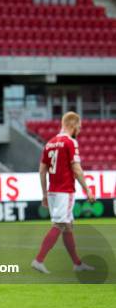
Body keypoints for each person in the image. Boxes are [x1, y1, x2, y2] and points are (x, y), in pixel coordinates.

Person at [31, 112, 95, 274]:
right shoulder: (70, 142)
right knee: (60, 224)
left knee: (67, 226)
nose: (79, 131)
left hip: (53, 191)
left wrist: (45, 194)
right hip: (64, 191)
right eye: (78, 127)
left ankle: (77, 264)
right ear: (72, 125)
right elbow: (77, 168)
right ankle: (39, 260)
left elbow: (42, 170)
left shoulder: (50, 143)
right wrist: (87, 189)